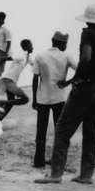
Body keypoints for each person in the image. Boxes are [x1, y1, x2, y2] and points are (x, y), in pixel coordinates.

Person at [35, 3, 95, 185]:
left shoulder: (87, 34)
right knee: (90, 133)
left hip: (86, 88)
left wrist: (73, 80)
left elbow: (86, 57)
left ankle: (56, 174)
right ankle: (86, 175)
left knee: (63, 130)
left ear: (87, 20)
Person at [30, 31, 77, 168]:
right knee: (59, 130)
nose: (66, 46)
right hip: (59, 98)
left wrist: (34, 98)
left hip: (42, 98)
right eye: (65, 44)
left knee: (41, 131)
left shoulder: (40, 55)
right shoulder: (66, 56)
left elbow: (35, 78)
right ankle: (58, 160)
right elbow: (80, 70)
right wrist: (68, 82)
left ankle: (39, 161)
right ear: (60, 43)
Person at [0, 39, 34, 119]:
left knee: (10, 103)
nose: (32, 47)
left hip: (10, 81)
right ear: (25, 47)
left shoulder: (28, 57)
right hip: (8, 80)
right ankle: (0, 102)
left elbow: (34, 66)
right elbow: (4, 59)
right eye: (30, 46)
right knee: (25, 99)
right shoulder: (21, 56)